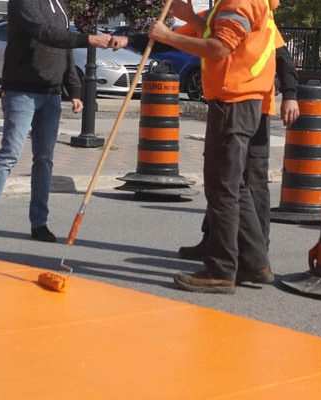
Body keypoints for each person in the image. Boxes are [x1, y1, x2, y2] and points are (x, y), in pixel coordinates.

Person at [112, 0, 280, 294]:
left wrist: (168, 36)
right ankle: (255, 263)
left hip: (234, 99)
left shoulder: (237, 2)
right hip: (243, 98)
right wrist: (190, 18)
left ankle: (221, 270)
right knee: (235, 187)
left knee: (222, 187)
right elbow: (219, 36)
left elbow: (219, 47)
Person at [0, 0, 112, 244]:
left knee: (44, 159)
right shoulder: (24, 2)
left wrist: (74, 90)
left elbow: (64, 46)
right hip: (21, 91)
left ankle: (39, 223)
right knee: (10, 154)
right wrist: (88, 39)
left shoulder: (61, 6)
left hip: (51, 92)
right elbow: (46, 34)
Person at [178, 28, 300, 264]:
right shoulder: (230, 12)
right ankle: (214, 240)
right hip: (236, 103)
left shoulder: (255, 13)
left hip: (252, 107)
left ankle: (256, 251)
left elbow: (282, 57)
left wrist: (290, 94)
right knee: (225, 177)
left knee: (250, 181)